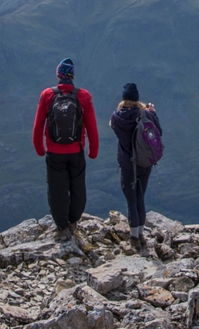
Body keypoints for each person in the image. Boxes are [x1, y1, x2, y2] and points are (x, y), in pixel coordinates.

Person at [32, 58, 99, 242]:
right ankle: (73, 220)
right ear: (72, 76)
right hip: (76, 151)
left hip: (54, 152)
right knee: (77, 186)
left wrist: (39, 148)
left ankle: (61, 226)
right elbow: (91, 126)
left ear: (59, 75)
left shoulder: (47, 95)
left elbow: (39, 125)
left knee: (57, 189)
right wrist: (93, 151)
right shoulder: (83, 96)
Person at [109, 82, 161, 256]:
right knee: (140, 198)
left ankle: (134, 240)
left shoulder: (117, 118)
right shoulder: (145, 114)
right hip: (144, 163)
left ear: (124, 98)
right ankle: (141, 236)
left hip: (127, 165)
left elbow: (114, 128)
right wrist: (152, 113)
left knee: (131, 200)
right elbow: (158, 132)